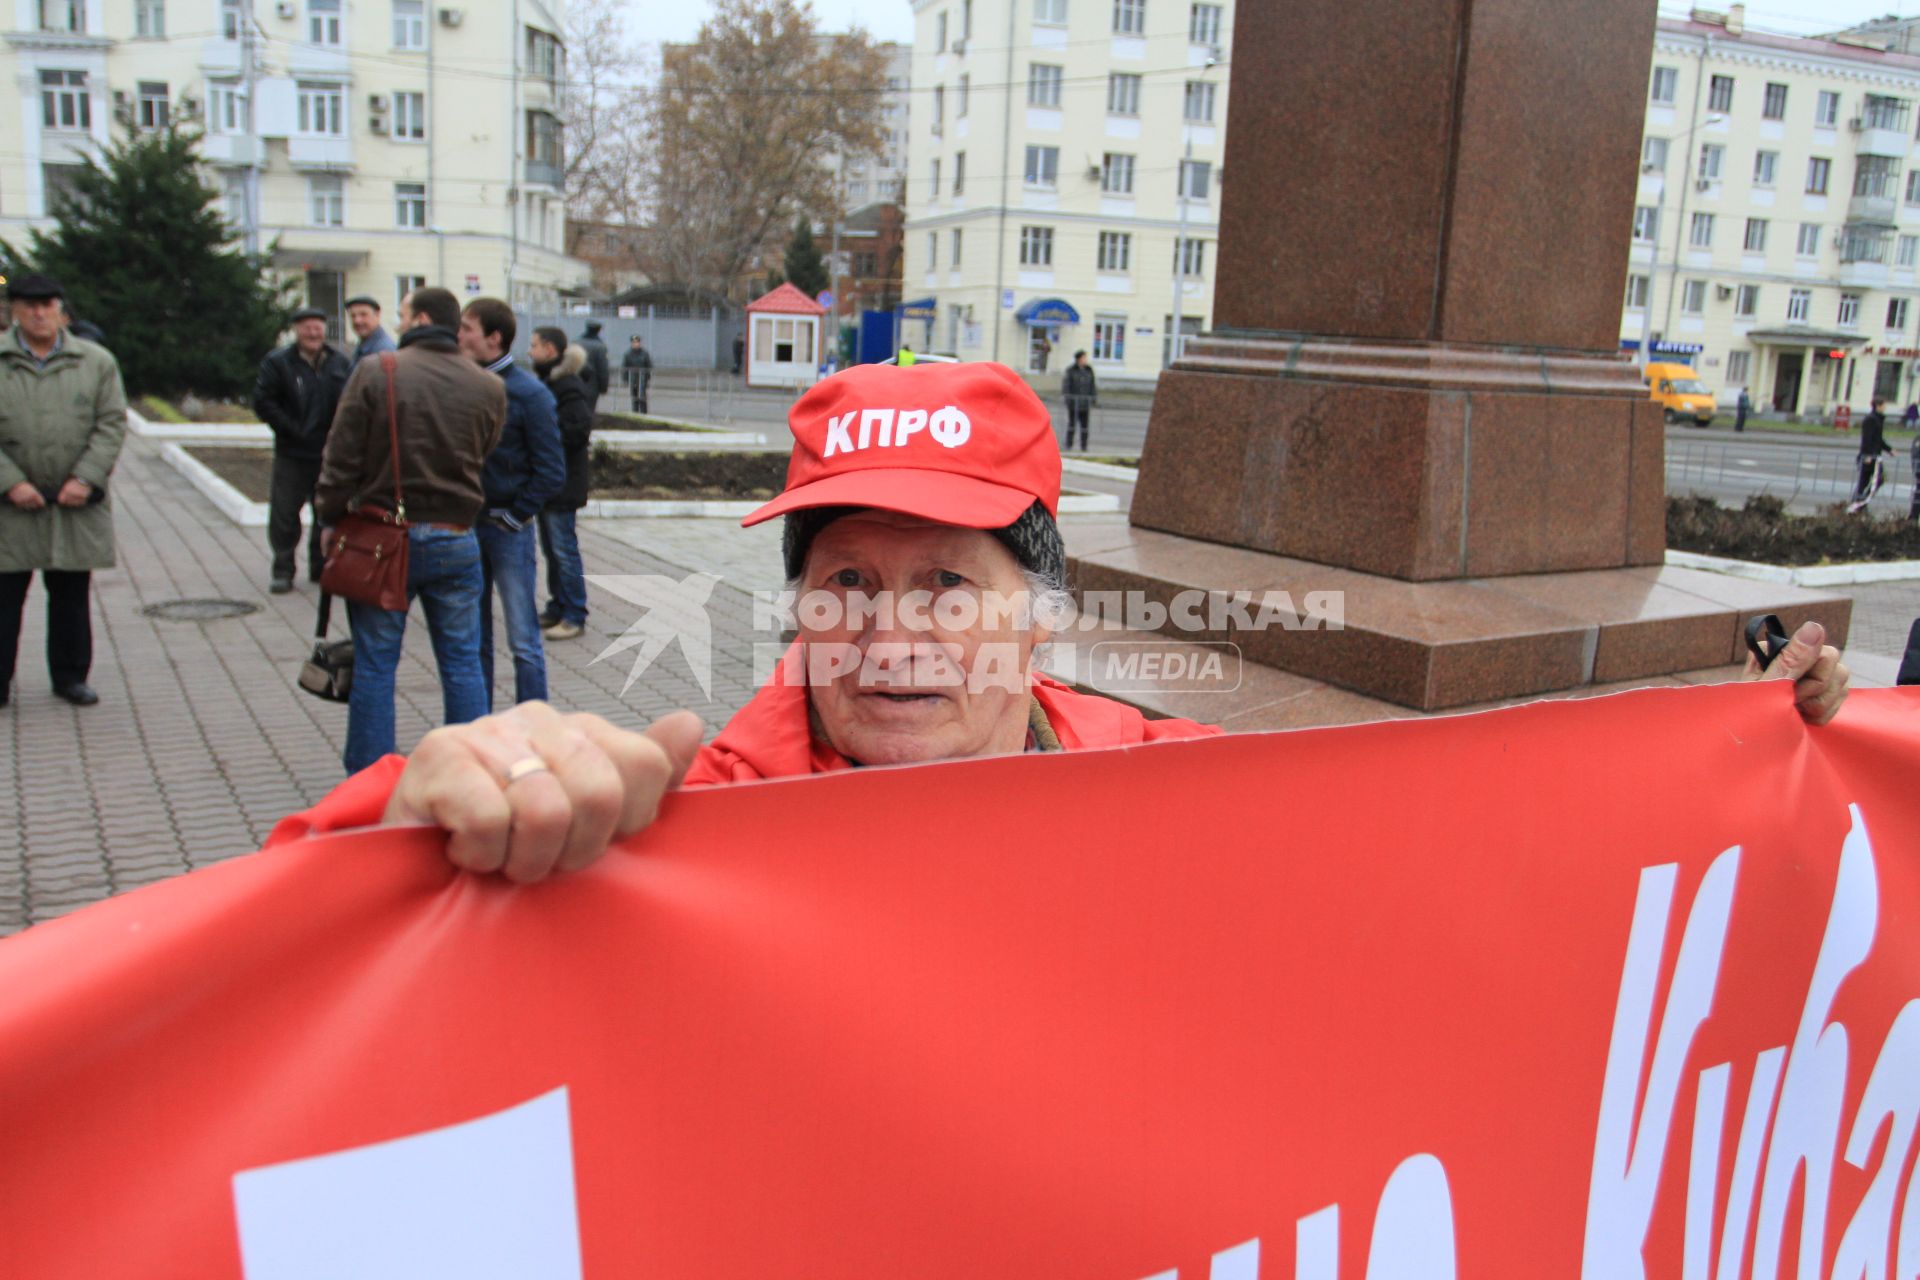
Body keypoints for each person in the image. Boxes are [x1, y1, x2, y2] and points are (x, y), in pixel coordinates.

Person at [268, 361, 1854, 885]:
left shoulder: (1163, 782)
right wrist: (406, 817)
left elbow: (1445, 861)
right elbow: (301, 951)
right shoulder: (670, 828)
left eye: (949, 586)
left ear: (1040, 622)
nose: (890, 634)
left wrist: (1740, 766)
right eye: (846, 584)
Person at [316, 286, 505, 775]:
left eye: (401, 315)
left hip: (382, 542)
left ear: (420, 318)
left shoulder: (379, 370)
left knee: (376, 665)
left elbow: (341, 457)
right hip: (458, 538)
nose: (396, 324)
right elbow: (484, 451)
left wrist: (329, 517)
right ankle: (467, 772)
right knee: (463, 663)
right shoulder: (487, 385)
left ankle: (370, 779)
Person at [0, 273, 127, 709]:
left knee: (71, 595)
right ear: (13, 310)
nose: (39, 313)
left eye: (47, 304)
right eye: (28, 305)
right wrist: (10, 482)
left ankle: (71, 677)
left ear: (60, 310)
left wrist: (86, 478)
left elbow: (111, 423)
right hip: (10, 506)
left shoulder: (95, 362)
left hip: (75, 502)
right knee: (4, 598)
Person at [459, 297, 565, 709]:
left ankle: (533, 725)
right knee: (474, 638)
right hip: (466, 528)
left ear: (494, 337)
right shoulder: (464, 385)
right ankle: (481, 725)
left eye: (467, 328)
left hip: (507, 531)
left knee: (522, 638)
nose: (459, 335)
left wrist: (514, 515)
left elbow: (552, 470)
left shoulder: (528, 393)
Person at [252, 306, 350, 593]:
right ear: (296, 330)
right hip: (292, 453)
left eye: (317, 326)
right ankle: (283, 569)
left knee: (327, 513)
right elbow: (263, 402)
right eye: (306, 326)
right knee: (285, 514)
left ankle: (322, 567)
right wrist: (290, 429)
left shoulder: (338, 362)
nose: (313, 332)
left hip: (327, 455)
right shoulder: (279, 362)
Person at [529, 327, 593, 642]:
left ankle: (574, 613)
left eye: (534, 345)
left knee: (564, 550)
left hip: (563, 484)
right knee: (552, 550)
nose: (530, 352)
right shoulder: (550, 382)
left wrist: (544, 440)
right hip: (549, 482)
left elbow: (578, 431)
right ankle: (558, 606)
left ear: (550, 349)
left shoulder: (568, 386)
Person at [1848, 396, 1895, 513]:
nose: (1885, 407)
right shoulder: (1871, 420)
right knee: (1871, 480)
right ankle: (1859, 503)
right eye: (1884, 405)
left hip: (1874, 456)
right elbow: (1867, 439)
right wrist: (1868, 455)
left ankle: (1859, 503)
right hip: (1869, 457)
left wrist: (1889, 449)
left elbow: (1878, 439)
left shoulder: (1877, 419)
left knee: (1869, 481)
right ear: (1878, 406)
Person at [344, 295, 395, 369]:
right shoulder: (364, 345)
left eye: (363, 315)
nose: (357, 321)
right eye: (353, 316)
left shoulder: (383, 351)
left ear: (377, 315)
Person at [1062, 350, 1097, 452]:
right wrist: (1068, 399)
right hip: (1074, 404)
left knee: (1085, 427)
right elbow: (1066, 386)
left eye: (1085, 358)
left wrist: (1093, 398)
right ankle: (1069, 444)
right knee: (1072, 425)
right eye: (1083, 358)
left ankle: (1084, 446)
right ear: (1078, 359)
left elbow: (1092, 386)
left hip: (1085, 404)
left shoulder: (1089, 370)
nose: (1085, 360)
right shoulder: (1071, 371)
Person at [575, 319, 610, 403]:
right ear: (599, 330)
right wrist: (603, 387)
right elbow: (603, 369)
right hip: (592, 387)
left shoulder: (576, 343)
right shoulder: (600, 347)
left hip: (575, 384)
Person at [621, 335, 653, 414]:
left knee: (642, 397)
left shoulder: (644, 353)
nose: (636, 344)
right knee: (634, 397)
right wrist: (625, 379)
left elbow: (649, 365)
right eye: (634, 342)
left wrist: (647, 377)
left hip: (642, 379)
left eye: (637, 342)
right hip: (633, 379)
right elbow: (624, 367)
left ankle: (644, 414)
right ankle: (635, 413)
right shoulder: (628, 354)